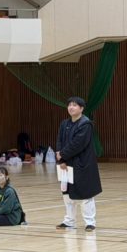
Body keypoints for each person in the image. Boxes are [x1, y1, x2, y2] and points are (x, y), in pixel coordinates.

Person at [55, 96, 102, 231]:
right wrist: (61, 160)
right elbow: (59, 141)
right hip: (66, 164)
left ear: (81, 108)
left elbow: (78, 144)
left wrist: (62, 154)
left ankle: (90, 222)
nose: (71, 107)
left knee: (86, 194)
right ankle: (69, 221)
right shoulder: (64, 124)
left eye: (75, 105)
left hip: (82, 164)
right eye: (69, 105)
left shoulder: (86, 124)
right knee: (66, 194)